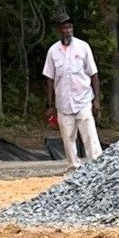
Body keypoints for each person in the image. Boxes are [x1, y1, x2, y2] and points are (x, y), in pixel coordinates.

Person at [43, 15, 101, 170]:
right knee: (68, 139)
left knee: (90, 136)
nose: (67, 31)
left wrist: (96, 100)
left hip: (82, 100)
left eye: (69, 28)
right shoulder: (53, 51)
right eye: (64, 28)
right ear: (59, 30)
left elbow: (94, 74)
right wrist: (49, 105)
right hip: (63, 103)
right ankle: (74, 167)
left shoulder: (83, 47)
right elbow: (49, 79)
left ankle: (96, 167)